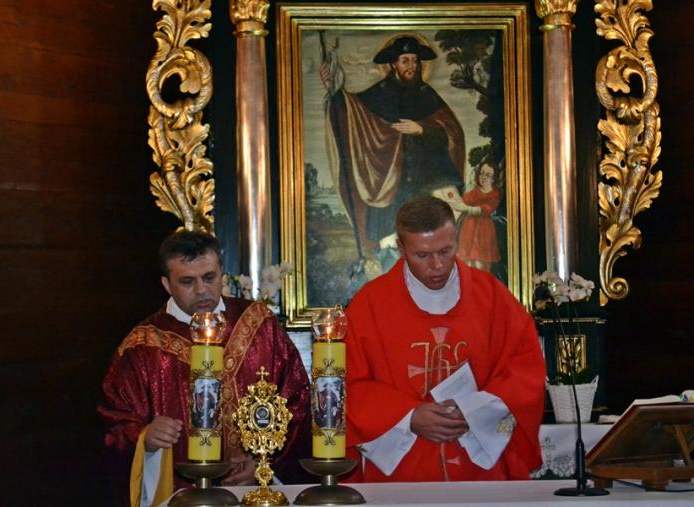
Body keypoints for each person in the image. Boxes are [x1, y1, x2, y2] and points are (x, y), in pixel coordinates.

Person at [98, 231, 312, 506]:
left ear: (222, 272)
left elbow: (296, 399)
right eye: (187, 281)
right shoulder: (143, 346)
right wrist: (144, 438)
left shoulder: (259, 324)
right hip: (182, 496)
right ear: (166, 284)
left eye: (209, 277)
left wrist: (265, 460)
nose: (201, 290)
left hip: (257, 492)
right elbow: (115, 421)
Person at [345, 195, 545, 482]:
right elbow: (349, 386)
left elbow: (525, 370)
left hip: (480, 468)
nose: (437, 265)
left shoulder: (492, 297)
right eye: (423, 255)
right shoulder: (368, 306)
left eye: (445, 250)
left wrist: (475, 410)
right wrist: (408, 416)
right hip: (403, 472)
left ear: (455, 238)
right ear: (401, 248)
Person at [322, 35, 466, 277]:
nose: (412, 66)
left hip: (422, 184)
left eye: (415, 61)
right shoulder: (379, 93)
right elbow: (352, 111)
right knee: (388, 244)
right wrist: (334, 91)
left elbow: (452, 132)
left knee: (423, 240)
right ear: (392, 64)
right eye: (405, 61)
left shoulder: (426, 94)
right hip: (388, 185)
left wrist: (421, 129)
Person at [455, 160, 502, 272]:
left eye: (488, 175)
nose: (483, 177)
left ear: (493, 178)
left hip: (484, 231)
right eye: (481, 173)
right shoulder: (476, 191)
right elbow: (464, 200)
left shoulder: (495, 193)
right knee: (468, 262)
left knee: (481, 263)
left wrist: (469, 209)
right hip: (469, 229)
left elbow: (487, 209)